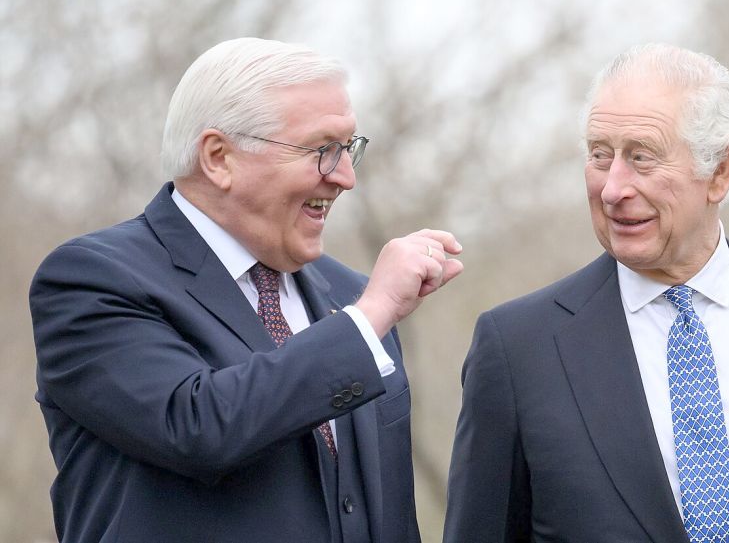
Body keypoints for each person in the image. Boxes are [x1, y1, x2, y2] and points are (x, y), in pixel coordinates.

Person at [444, 43, 729, 542]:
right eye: (601, 155)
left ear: (720, 172)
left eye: (641, 158)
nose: (612, 188)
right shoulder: (517, 348)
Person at [29, 37, 462, 543]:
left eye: (348, 149)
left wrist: (367, 315)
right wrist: (370, 317)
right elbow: (198, 427)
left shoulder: (350, 295)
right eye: (322, 150)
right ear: (219, 158)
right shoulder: (91, 280)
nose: (345, 177)